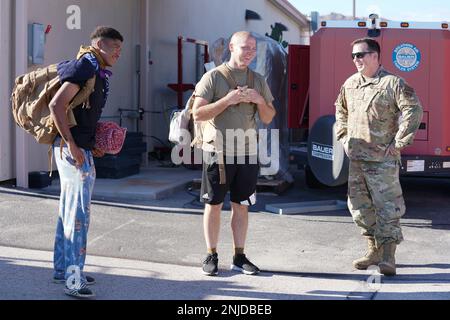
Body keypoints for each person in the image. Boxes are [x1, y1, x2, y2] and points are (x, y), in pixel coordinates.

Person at [335, 38, 423, 276]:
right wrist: (343, 137)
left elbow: (413, 110)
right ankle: (372, 251)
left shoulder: (392, 83)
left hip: (382, 160)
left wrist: (400, 142)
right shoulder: (351, 83)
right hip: (357, 159)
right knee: (360, 208)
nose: (356, 60)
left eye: (361, 54)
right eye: (353, 56)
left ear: (375, 55)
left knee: (387, 208)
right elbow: (340, 111)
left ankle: (387, 257)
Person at [193, 31, 276, 276]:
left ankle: (239, 257)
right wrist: (227, 101)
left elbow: (268, 117)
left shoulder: (258, 79)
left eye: (253, 48)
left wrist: (260, 100)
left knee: (241, 206)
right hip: (217, 153)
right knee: (214, 205)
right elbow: (197, 114)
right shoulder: (213, 77)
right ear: (231, 47)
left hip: (248, 153)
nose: (250, 52)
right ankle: (211, 254)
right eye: (244, 47)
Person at [49, 26, 123, 298]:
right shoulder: (86, 67)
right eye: (115, 48)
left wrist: (93, 143)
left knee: (67, 211)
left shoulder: (96, 71)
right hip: (72, 150)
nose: (119, 53)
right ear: (100, 45)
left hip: (80, 148)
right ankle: (73, 278)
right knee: (78, 214)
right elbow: (57, 105)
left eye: (120, 49)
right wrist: (72, 144)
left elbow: (81, 112)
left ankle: (62, 270)